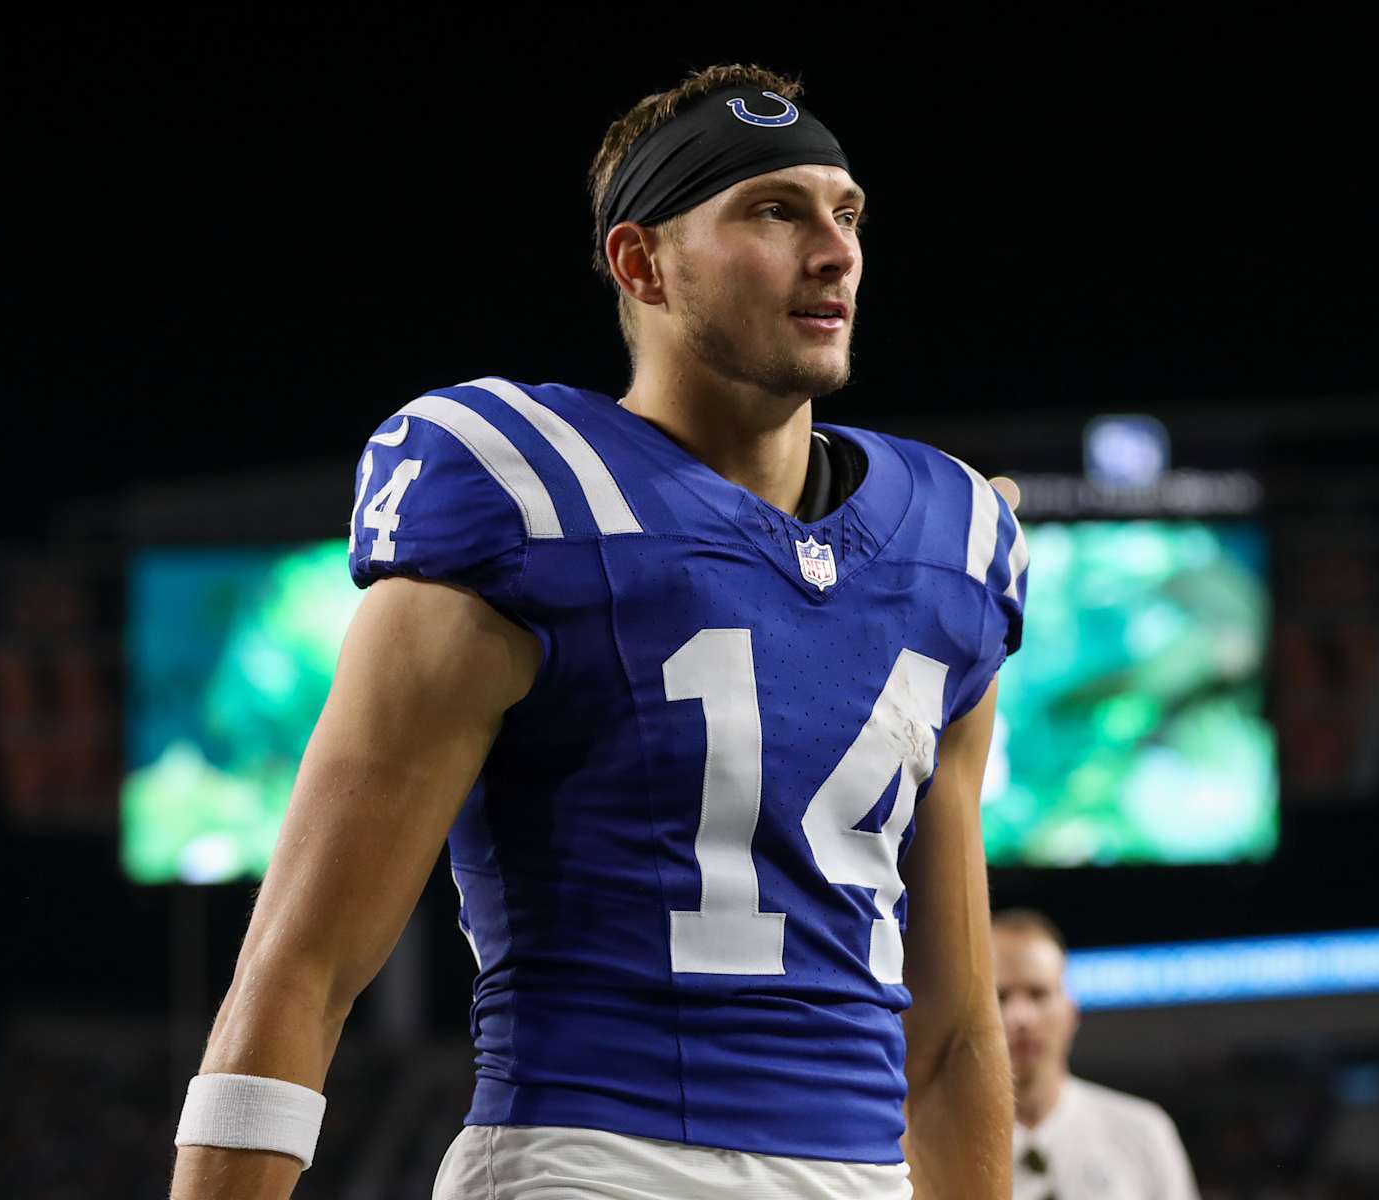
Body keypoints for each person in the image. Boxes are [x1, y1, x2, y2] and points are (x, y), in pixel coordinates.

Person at [168, 63, 1027, 1200]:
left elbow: (957, 1035)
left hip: (861, 1177)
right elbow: (300, 969)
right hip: (593, 1164)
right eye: (774, 211)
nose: (835, 251)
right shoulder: (522, 497)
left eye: (847, 211)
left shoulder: (953, 543)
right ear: (642, 262)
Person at [993, 909, 1199, 1200]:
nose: (1021, 1017)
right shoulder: (947, 1149)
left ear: (1071, 1013)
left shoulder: (1145, 1133)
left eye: (1038, 994)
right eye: (1000, 996)